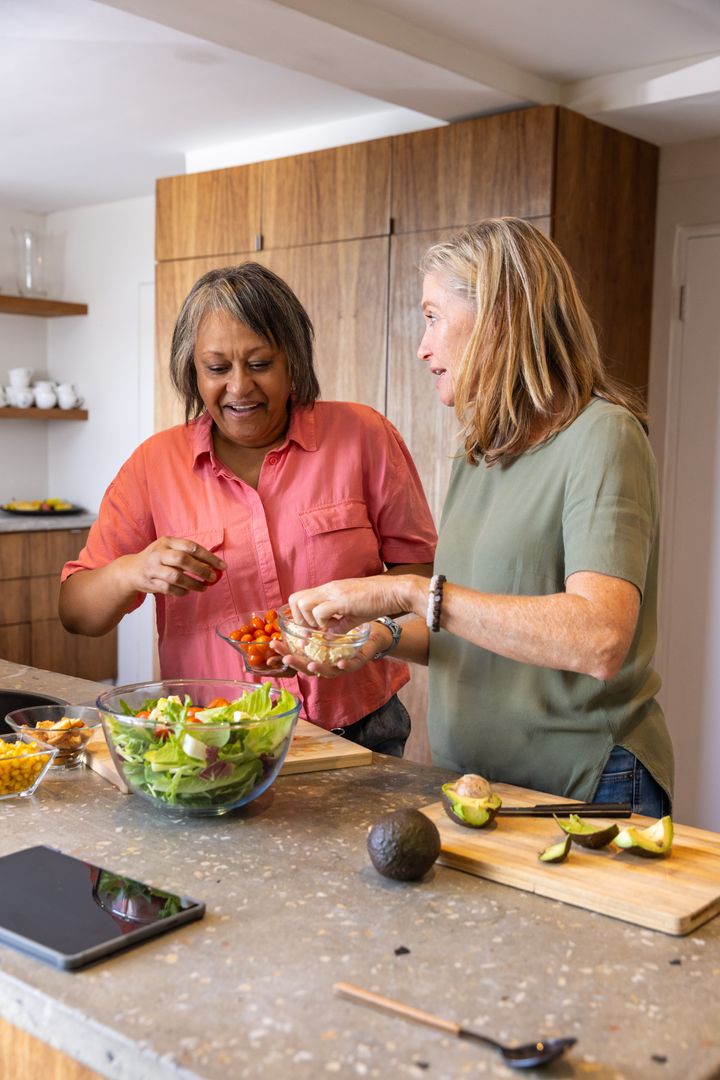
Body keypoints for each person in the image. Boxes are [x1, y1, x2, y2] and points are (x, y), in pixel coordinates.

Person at [280, 217, 674, 815]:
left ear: (499, 317)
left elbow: (600, 638)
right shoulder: (478, 452)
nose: (422, 345)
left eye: (434, 315)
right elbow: (470, 625)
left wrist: (408, 592)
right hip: (478, 782)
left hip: (586, 782)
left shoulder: (603, 436)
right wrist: (374, 638)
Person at [59, 263, 437, 756]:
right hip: (212, 740)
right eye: (217, 369)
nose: (239, 388)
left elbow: (421, 576)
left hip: (359, 730)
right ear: (192, 371)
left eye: (260, 364)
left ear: (293, 362)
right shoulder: (154, 465)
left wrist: (358, 625)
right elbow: (75, 613)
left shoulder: (363, 435)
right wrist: (134, 570)